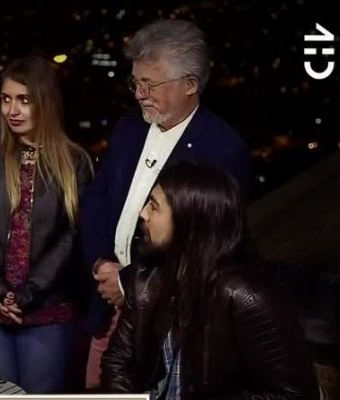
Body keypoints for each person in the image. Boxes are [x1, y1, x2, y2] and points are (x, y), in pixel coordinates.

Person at [79, 19, 252, 388]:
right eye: (135, 82)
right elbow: (96, 200)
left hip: (169, 322)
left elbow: (209, 247)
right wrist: (101, 265)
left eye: (150, 84)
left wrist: (128, 282)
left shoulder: (223, 149)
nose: (139, 94)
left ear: (190, 85)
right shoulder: (128, 128)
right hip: (107, 304)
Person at [100, 161, 319, 399]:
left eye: (154, 206)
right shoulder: (147, 275)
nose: (143, 213)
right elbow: (118, 361)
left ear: (189, 219)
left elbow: (293, 395)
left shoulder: (248, 296)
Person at [0, 55, 93, 393]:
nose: (12, 110)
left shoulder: (75, 161)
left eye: (24, 100)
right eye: (6, 99)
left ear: (46, 102)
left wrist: (29, 293)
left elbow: (72, 235)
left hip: (48, 306)